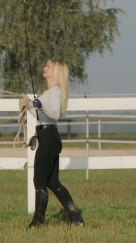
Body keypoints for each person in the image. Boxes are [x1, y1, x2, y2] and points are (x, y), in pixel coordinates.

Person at [27, 59, 85, 228]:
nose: (44, 68)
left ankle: (37, 222)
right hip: (47, 136)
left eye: (48, 66)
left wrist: (40, 106)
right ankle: (76, 218)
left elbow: (54, 114)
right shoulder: (50, 92)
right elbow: (41, 116)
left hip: (49, 138)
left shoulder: (55, 92)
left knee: (39, 180)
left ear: (55, 72)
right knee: (53, 183)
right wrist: (30, 107)